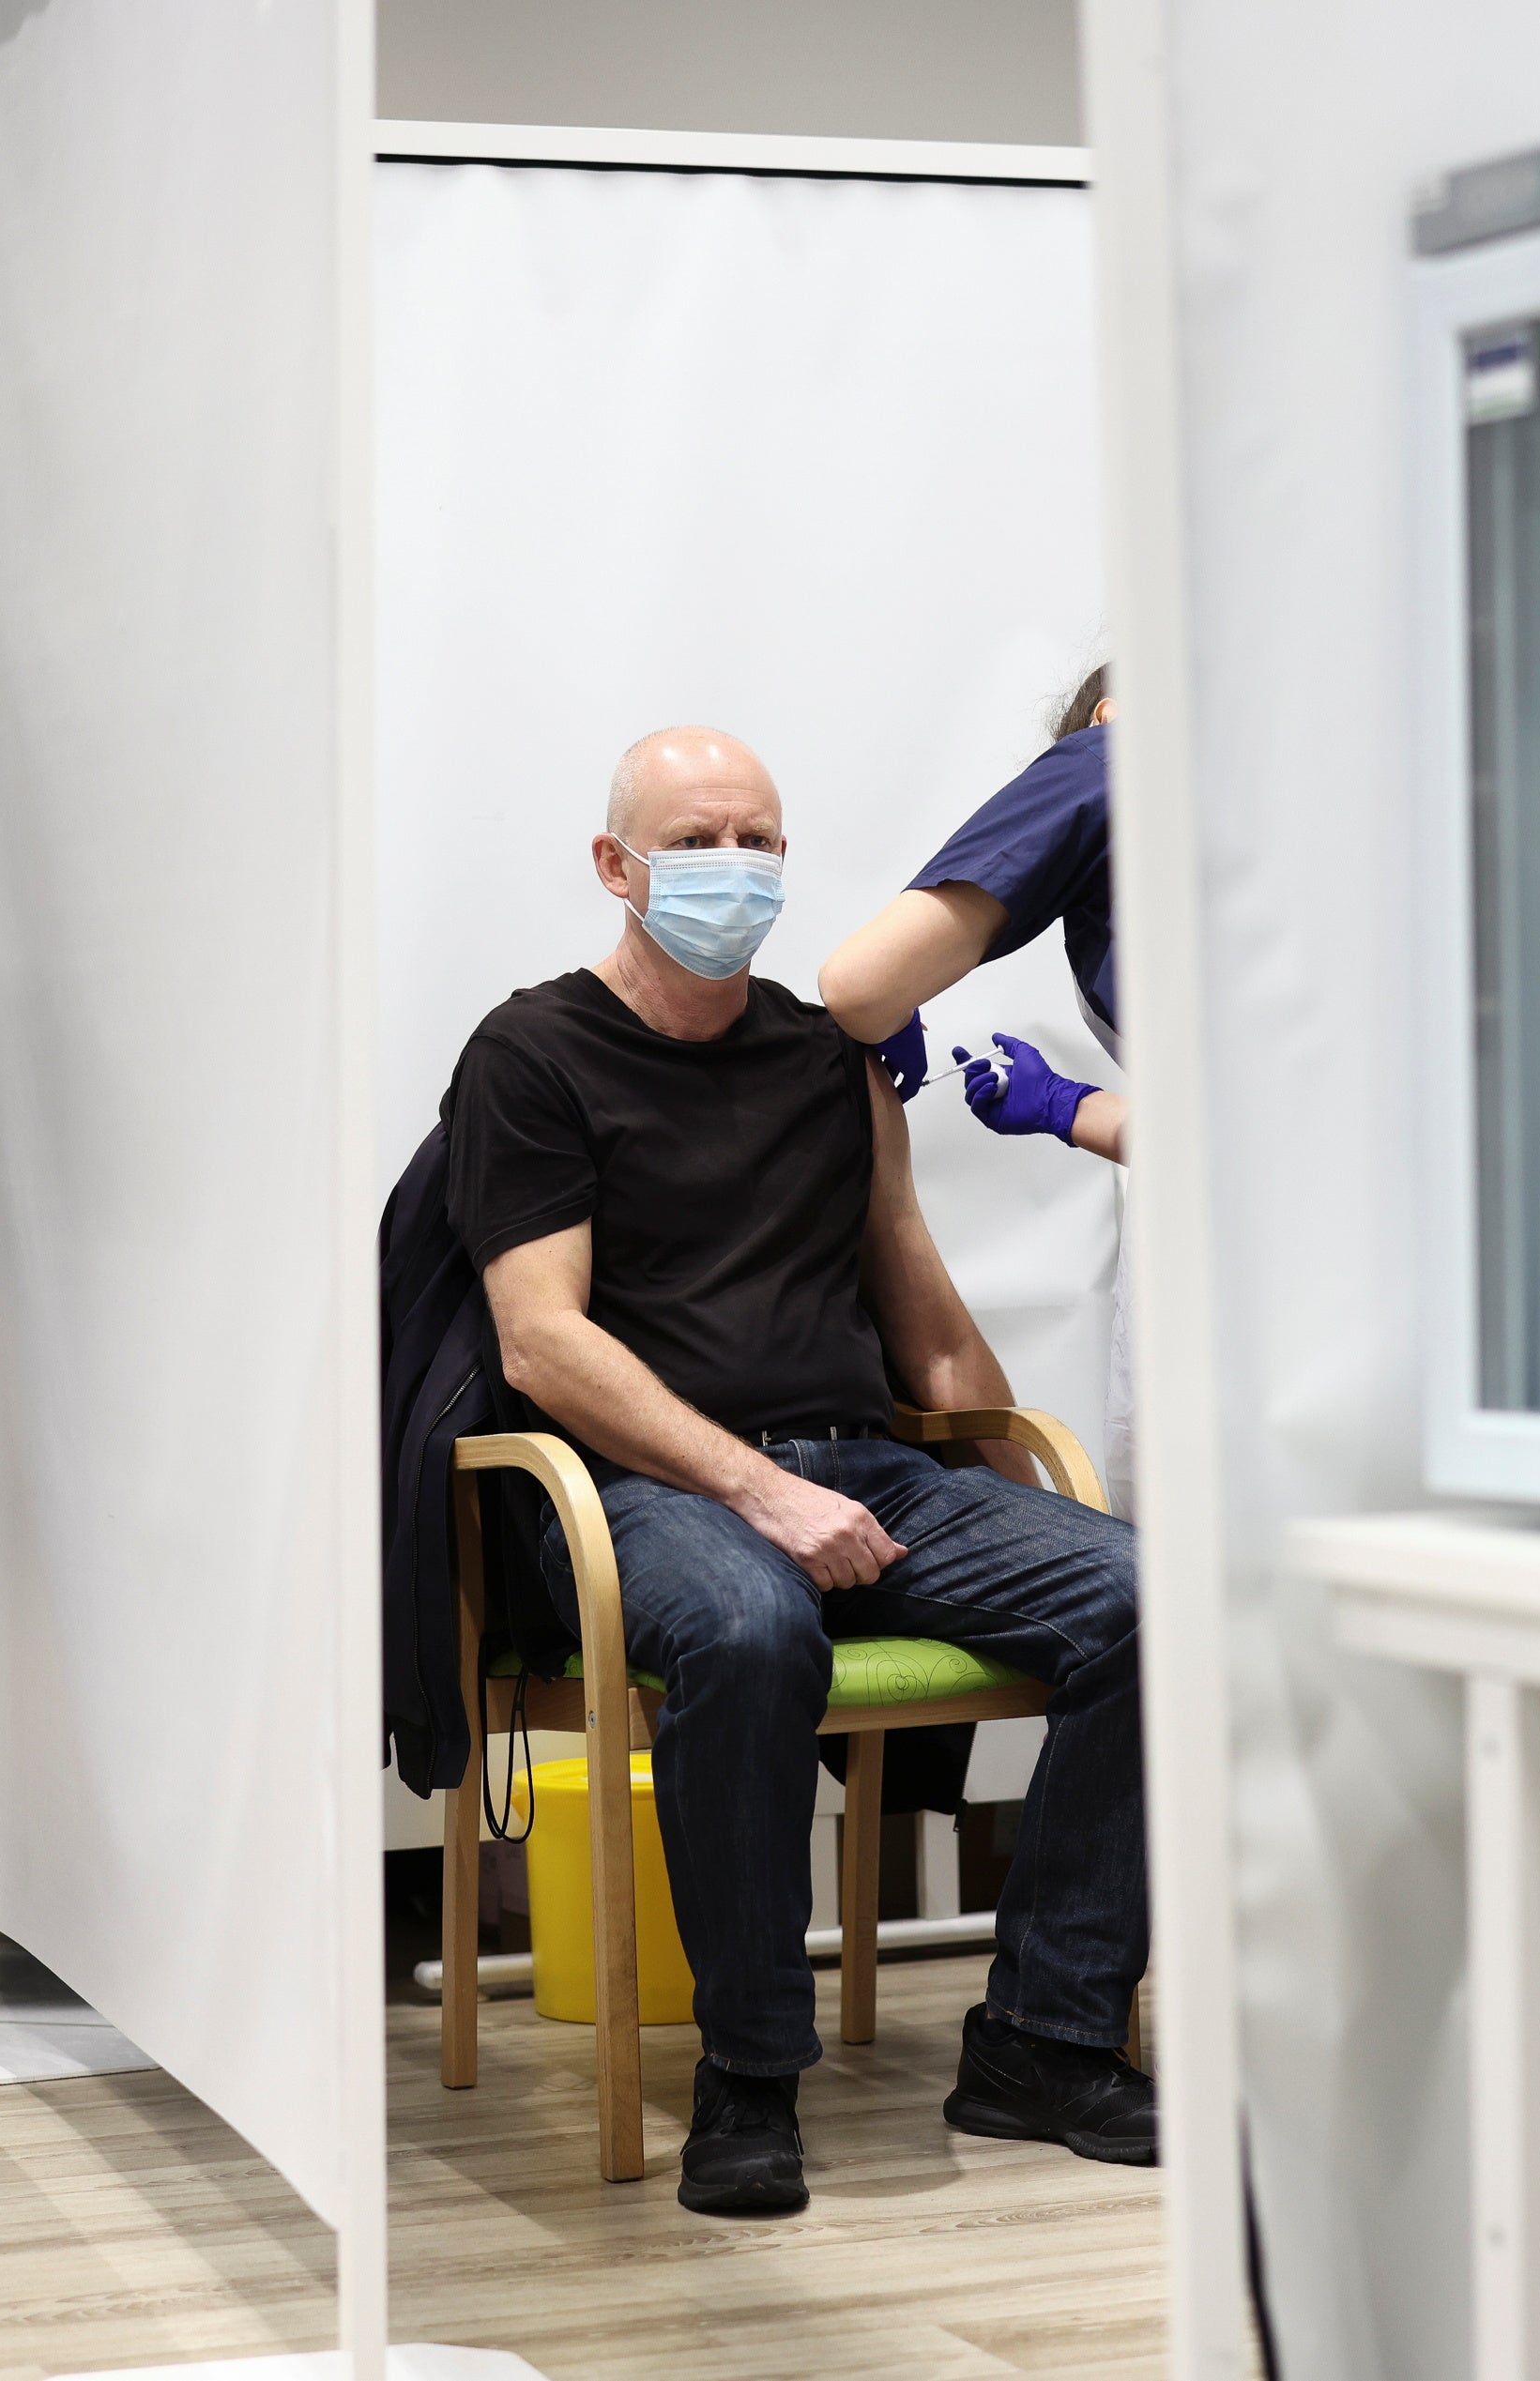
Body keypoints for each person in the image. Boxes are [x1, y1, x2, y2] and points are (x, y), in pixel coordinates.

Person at [446, 725, 1152, 2217]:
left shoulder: (826, 1060)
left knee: (1152, 1601)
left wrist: (1028, 1509)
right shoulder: (534, 1054)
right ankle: (750, 2071)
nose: (737, 870)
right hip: (646, 1487)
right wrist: (757, 1495)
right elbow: (541, 1346)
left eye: (760, 841)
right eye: (700, 841)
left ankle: (1042, 2035)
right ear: (614, 866)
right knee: (750, 1629)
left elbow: (925, 1319)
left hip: (865, 1472)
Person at [817, 666, 1125, 1163]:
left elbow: (857, 986)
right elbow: (1242, 1140)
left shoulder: (1111, 753)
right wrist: (1066, 1107)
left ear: (1106, 715)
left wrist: (887, 1013)